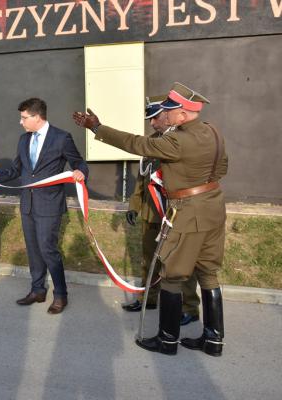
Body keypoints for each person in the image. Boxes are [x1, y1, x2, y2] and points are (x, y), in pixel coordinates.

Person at [73, 82, 227, 356]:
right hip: (213, 208)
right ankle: (213, 340)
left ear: (182, 113)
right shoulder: (212, 131)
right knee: (208, 273)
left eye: (168, 111)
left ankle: (167, 340)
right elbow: (222, 167)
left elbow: (136, 143)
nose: (164, 116)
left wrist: (97, 128)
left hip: (187, 210)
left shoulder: (177, 140)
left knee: (171, 275)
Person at [0, 98, 88, 314]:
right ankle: (37, 290)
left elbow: (79, 162)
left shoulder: (61, 137)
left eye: (24, 117)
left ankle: (60, 295)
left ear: (37, 117)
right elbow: (16, 169)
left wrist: (80, 172)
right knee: (33, 250)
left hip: (49, 205)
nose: (21, 122)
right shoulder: (23, 139)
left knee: (48, 250)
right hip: (27, 204)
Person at [123, 96, 201, 326]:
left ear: (167, 115)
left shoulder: (182, 141)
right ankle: (149, 298)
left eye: (155, 118)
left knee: (180, 264)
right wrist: (134, 206)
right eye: (150, 119)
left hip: (175, 213)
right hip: (151, 212)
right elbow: (142, 178)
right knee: (149, 260)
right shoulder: (151, 142)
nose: (152, 123)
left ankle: (190, 307)